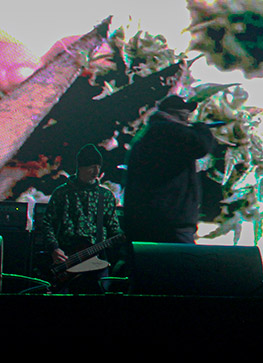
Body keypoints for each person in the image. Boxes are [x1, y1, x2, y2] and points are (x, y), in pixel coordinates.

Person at [122, 95, 215, 244]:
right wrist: (203, 130)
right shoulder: (167, 130)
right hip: (168, 223)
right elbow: (200, 146)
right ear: (177, 114)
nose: (188, 121)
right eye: (186, 116)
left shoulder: (151, 132)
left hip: (151, 220)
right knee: (182, 257)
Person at [37, 144, 121, 293]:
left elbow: (113, 228)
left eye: (98, 167)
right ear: (80, 168)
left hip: (96, 260)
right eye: (91, 167)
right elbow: (47, 223)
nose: (96, 172)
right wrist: (54, 248)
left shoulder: (106, 196)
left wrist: (123, 237)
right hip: (67, 258)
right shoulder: (62, 193)